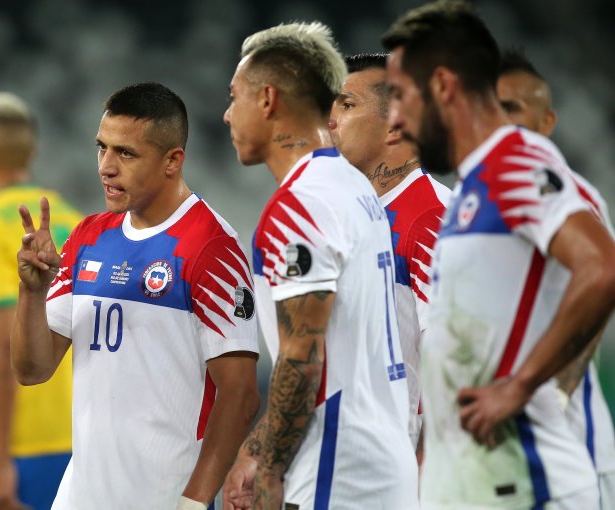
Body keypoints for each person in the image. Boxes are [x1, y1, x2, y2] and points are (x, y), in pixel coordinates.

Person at [382, 1, 615, 508]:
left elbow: (601, 267)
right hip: (480, 481)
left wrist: (520, 386)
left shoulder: (514, 163)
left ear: (443, 85)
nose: (395, 118)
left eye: (399, 95)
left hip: (526, 478)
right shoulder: (472, 187)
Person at [10, 82, 260, 510]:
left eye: (125, 153)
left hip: (164, 498)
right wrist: (31, 294)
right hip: (79, 497)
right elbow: (32, 370)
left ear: (172, 161)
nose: (106, 166)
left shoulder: (212, 247)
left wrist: (195, 502)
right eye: (101, 148)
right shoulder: (88, 237)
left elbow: (240, 395)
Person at [222, 23, 418, 509]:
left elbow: (304, 356)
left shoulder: (300, 204)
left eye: (234, 97)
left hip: (338, 468)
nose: (227, 115)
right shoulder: (355, 190)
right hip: (380, 458)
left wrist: (270, 469)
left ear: (267, 99)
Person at [496, 48, 615, 509]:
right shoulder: (479, 199)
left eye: (514, 109)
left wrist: (554, 394)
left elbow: (598, 290)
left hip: (568, 447)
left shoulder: (568, 194)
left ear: (547, 122)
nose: (501, 124)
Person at [0, 92, 81, 510]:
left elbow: (0, 342)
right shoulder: (75, 220)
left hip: (27, 447)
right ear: (33, 151)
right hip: (81, 439)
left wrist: (4, 460)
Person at [328, 52, 452, 458]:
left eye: (346, 105)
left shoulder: (436, 218)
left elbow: (455, 361)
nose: (330, 119)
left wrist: (425, 472)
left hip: (393, 465)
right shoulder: (342, 216)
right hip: (337, 456)